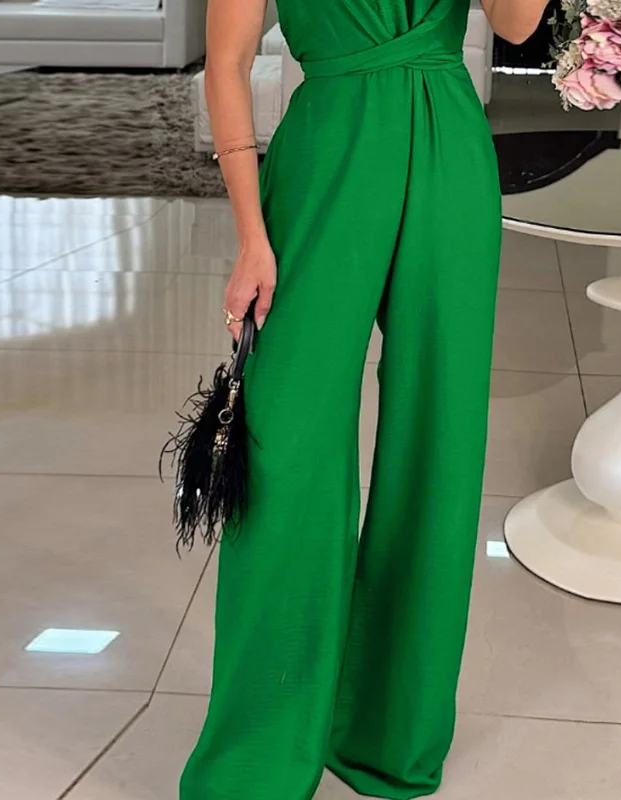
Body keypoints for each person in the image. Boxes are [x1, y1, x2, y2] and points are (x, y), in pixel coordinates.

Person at [179, 0, 548, 798]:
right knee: (284, 450)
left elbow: (520, 26)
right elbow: (227, 64)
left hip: (449, 150)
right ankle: (259, 753)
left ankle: (389, 733)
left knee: (439, 439)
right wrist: (251, 236)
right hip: (327, 151)